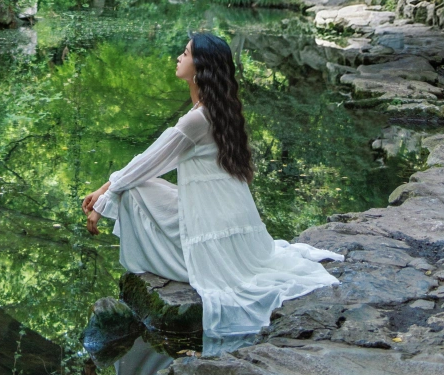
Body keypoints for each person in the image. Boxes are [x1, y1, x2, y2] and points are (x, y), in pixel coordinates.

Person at [81, 31, 341, 354]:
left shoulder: (196, 121)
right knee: (136, 184)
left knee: (133, 191)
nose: (179, 56)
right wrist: (106, 191)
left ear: (200, 67)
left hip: (205, 231)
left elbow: (146, 164)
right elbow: (147, 162)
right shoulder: (219, 111)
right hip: (214, 218)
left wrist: (104, 198)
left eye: (186, 53)